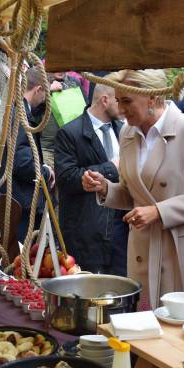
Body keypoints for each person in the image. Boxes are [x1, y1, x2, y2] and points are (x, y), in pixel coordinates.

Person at [82, 69, 184, 310]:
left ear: (152, 98)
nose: (120, 109)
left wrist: (158, 212)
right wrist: (105, 188)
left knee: (180, 332)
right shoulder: (127, 133)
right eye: (118, 100)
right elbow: (132, 193)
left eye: (127, 101)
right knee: (146, 324)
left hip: (181, 250)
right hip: (143, 248)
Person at [55, 81, 128, 275]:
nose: (124, 106)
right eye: (119, 100)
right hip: (86, 234)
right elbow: (65, 178)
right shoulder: (69, 132)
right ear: (105, 100)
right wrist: (110, 168)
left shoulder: (125, 130)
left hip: (121, 230)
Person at [0, 67, 53, 242]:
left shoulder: (16, 111)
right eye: (46, 94)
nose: (46, 99)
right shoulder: (20, 115)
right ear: (38, 89)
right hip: (21, 201)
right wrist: (46, 172)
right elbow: (21, 161)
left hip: (17, 198)